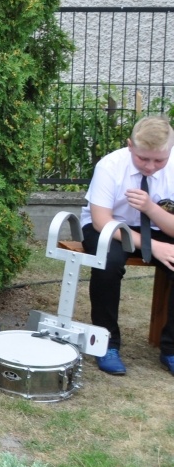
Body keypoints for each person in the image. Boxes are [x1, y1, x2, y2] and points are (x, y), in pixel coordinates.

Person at [82, 115, 174, 376]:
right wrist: (152, 246)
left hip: (158, 226)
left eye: (159, 160)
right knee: (108, 264)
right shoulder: (110, 166)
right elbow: (101, 221)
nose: (150, 167)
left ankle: (171, 349)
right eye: (143, 158)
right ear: (130, 145)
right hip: (110, 227)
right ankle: (107, 344)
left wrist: (150, 208)